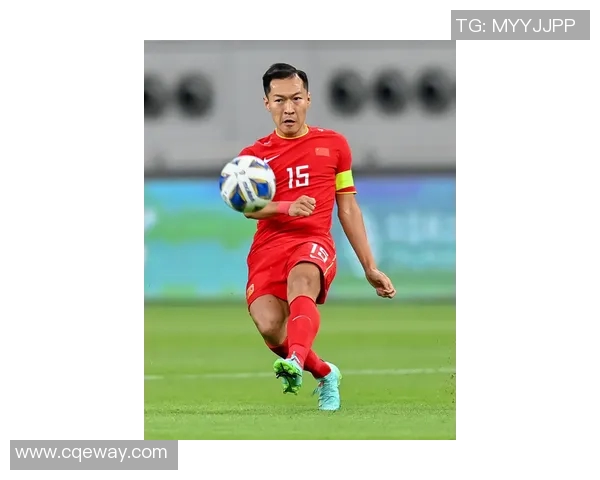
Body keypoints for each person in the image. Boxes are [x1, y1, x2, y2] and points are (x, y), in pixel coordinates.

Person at [238, 63, 396, 411]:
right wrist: (286, 207)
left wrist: (369, 266)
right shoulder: (254, 156)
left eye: (296, 98)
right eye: (279, 100)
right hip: (269, 246)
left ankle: (294, 362)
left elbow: (348, 208)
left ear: (308, 99)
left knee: (302, 280)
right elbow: (248, 207)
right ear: (266, 103)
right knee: (269, 326)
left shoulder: (334, 145)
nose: (288, 108)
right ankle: (324, 373)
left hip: (313, 241)